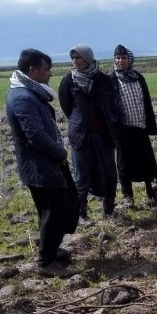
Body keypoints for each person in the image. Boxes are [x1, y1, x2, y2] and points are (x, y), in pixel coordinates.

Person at [5, 49, 77, 277]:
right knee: (52, 211)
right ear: (32, 70)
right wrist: (59, 153)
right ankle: (46, 262)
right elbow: (34, 135)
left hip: (47, 163)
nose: (50, 73)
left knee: (57, 208)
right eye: (46, 69)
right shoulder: (23, 98)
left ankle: (52, 249)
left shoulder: (29, 92)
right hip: (40, 166)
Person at [58, 44, 118, 219]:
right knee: (82, 177)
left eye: (79, 57)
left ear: (88, 58)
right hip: (80, 136)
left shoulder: (104, 80)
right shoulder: (68, 80)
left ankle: (109, 210)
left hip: (104, 134)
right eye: (73, 58)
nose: (75, 61)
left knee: (109, 173)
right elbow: (67, 106)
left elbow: (111, 104)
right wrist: (79, 121)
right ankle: (81, 213)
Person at [111, 44, 157, 207]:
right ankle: (127, 196)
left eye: (123, 58)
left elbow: (147, 102)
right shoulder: (111, 80)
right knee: (123, 163)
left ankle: (151, 193)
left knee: (146, 161)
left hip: (140, 126)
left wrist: (149, 125)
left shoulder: (138, 78)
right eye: (117, 58)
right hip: (122, 129)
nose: (120, 61)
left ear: (129, 59)